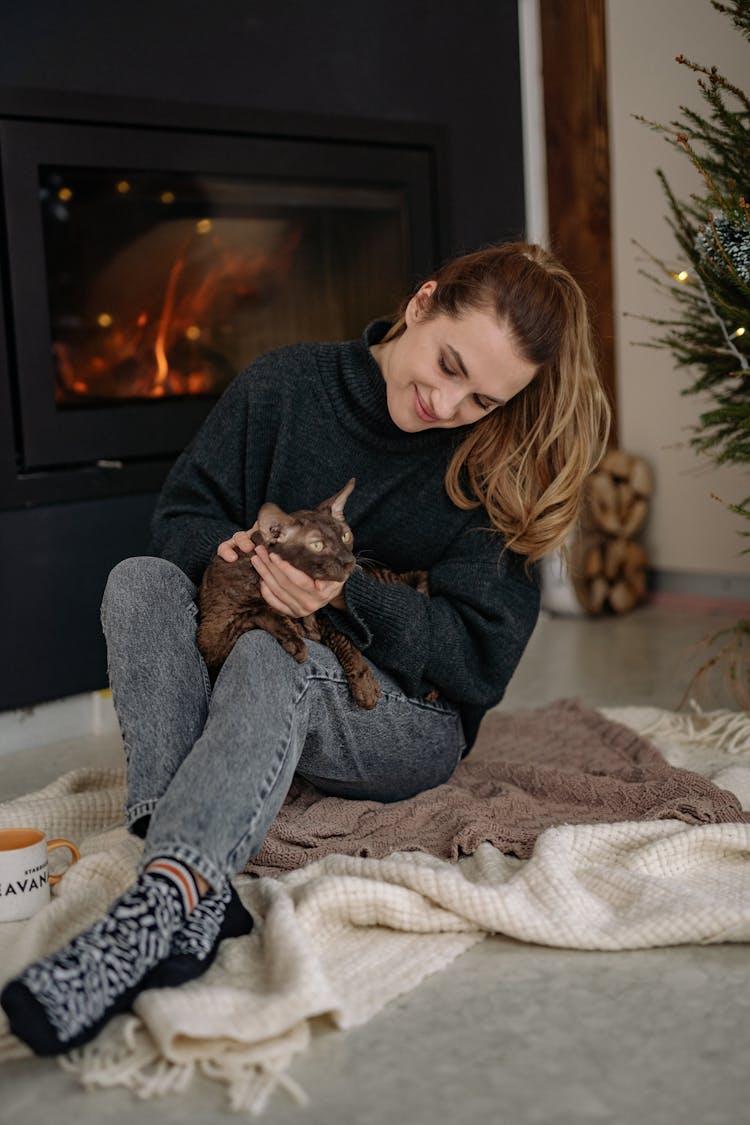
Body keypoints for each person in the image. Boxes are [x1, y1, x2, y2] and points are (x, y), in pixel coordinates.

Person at [1, 241, 611, 1055]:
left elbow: (478, 664)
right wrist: (232, 554)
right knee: (139, 580)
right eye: (449, 364)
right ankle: (189, 885)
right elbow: (182, 517)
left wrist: (347, 592)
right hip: (251, 628)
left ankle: (160, 903)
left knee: (267, 656)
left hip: (400, 718)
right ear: (423, 302)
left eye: (482, 397)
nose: (448, 401)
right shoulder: (285, 386)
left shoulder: (496, 464)